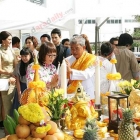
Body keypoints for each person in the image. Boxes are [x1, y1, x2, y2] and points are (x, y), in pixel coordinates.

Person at [0, 31, 16, 122]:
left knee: (11, 104)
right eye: (9, 39)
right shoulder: (0, 51)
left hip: (13, 79)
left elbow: (15, 64)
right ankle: (6, 129)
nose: (10, 41)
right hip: (4, 80)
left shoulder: (11, 50)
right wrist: (10, 73)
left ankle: (9, 125)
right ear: (3, 40)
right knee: (6, 105)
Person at [11, 48, 34, 112]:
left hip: (32, 88)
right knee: (19, 107)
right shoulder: (19, 65)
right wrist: (19, 93)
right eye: (22, 56)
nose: (24, 58)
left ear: (30, 55)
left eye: (26, 56)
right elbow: (17, 80)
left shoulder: (34, 65)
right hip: (22, 87)